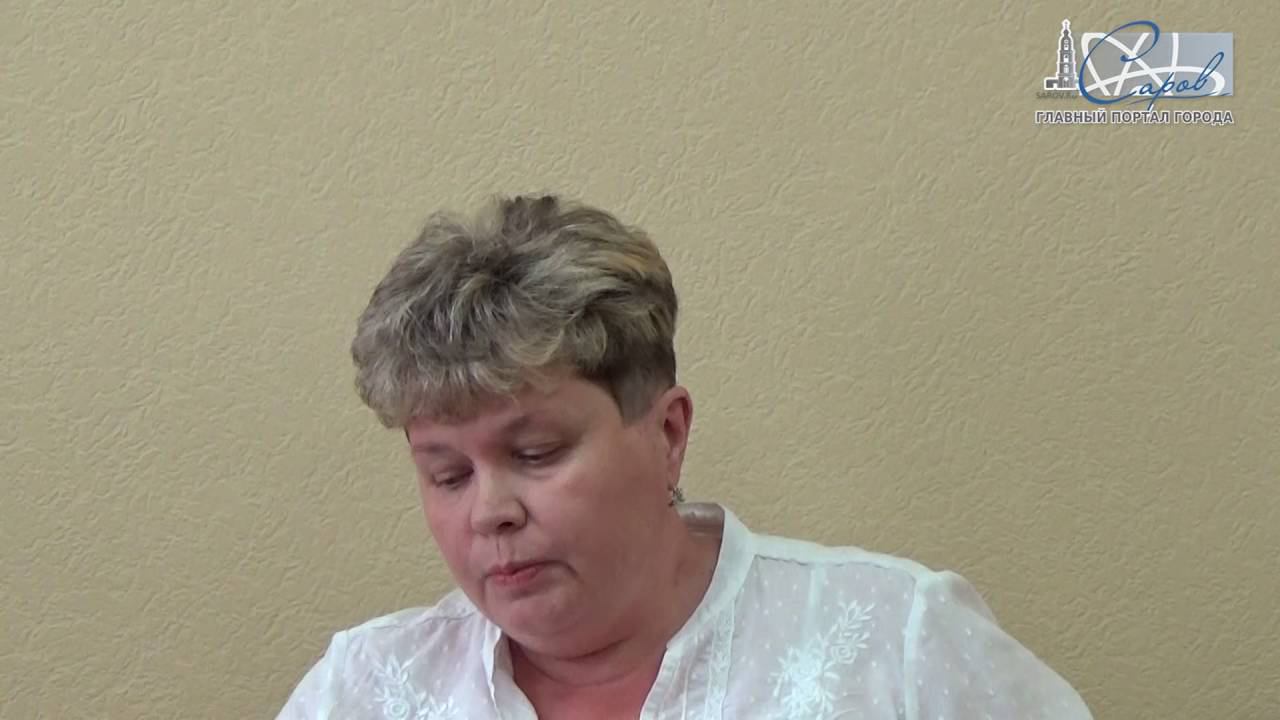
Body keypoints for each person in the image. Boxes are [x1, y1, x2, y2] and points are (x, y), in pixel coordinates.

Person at [275, 193, 1093, 719]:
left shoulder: (897, 642)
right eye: (446, 473)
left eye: (536, 453)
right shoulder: (364, 689)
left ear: (667, 434)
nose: (490, 512)